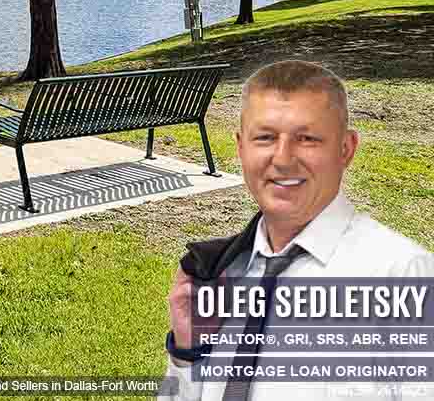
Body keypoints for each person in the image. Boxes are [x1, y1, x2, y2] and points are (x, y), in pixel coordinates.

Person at [159, 60, 434, 400]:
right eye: (265, 137)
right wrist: (187, 351)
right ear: (241, 147)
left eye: (307, 138)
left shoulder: (404, 276)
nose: (283, 159)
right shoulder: (218, 275)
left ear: (345, 149)